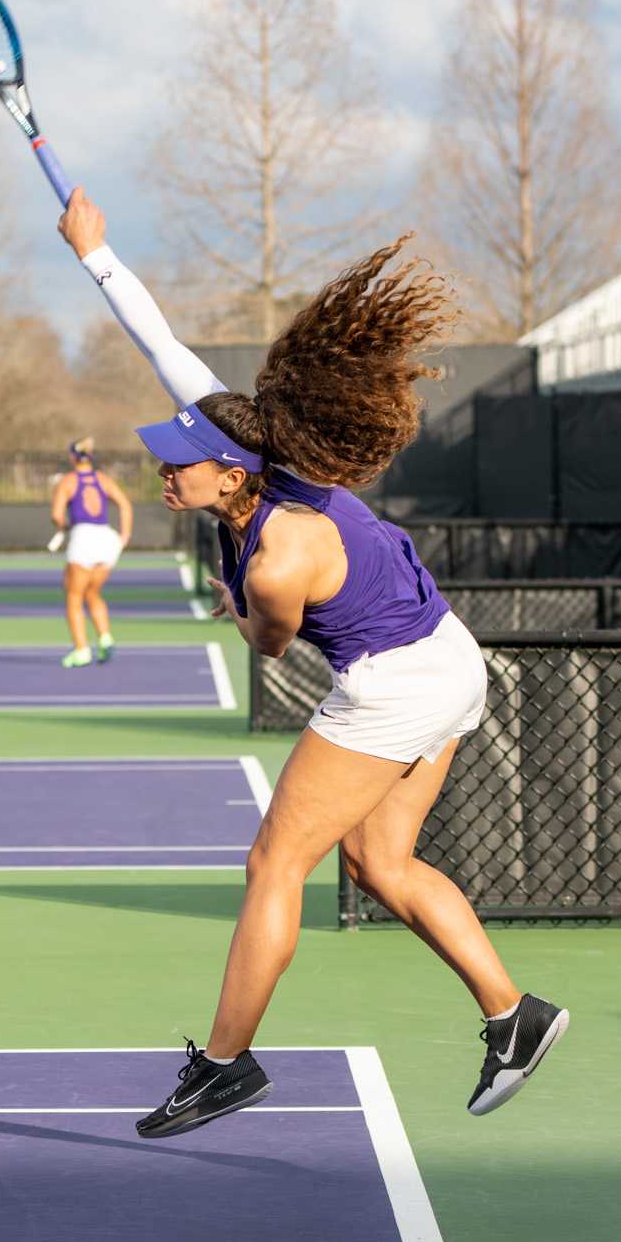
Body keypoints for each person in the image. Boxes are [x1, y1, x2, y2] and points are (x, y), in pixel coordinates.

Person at [55, 188, 567, 1137]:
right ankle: (515, 1014)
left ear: (231, 475)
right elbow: (158, 340)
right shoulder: (254, 449)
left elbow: (271, 642)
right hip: (449, 658)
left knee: (273, 862)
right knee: (380, 860)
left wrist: (239, 604)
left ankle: (223, 1064)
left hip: (395, 685)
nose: (165, 469)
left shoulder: (282, 548)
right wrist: (97, 254)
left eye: (179, 461)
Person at [48, 438, 133, 667]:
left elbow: (56, 515)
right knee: (92, 593)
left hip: (83, 538)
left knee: (74, 596)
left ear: (72, 457)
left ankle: (81, 649)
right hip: (107, 539)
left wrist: (63, 526)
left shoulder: (67, 481)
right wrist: (124, 536)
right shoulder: (103, 479)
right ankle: (105, 638)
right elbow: (125, 505)